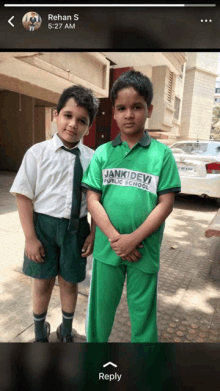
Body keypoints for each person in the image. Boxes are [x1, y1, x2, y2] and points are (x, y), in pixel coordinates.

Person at [82, 70, 181, 343]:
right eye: (121, 108)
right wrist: (116, 239)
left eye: (137, 107)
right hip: (107, 249)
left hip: (144, 250)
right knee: (99, 314)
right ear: (113, 112)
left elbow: (166, 204)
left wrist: (133, 240)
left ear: (148, 109)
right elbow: (92, 199)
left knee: (143, 315)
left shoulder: (162, 155)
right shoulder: (103, 153)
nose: (129, 114)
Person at [10, 85, 99, 342]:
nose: (73, 124)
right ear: (56, 115)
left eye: (82, 120)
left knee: (70, 283)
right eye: (68, 115)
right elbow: (24, 196)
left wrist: (93, 233)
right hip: (44, 229)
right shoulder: (37, 153)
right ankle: (40, 334)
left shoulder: (92, 159)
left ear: (89, 127)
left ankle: (66, 332)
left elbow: (96, 201)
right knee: (42, 282)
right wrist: (30, 238)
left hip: (77, 229)